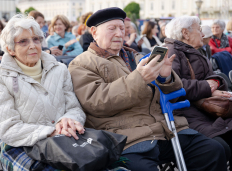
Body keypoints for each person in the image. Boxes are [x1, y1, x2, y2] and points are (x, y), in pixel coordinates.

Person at [68, 7, 227, 171]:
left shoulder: (136, 56)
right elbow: (97, 102)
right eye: (112, 28)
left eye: (123, 28)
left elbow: (174, 94)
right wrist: (139, 78)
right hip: (125, 137)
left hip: (165, 129)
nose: (119, 33)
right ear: (94, 32)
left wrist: (166, 77)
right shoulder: (81, 64)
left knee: (212, 151)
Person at [0, 14, 86, 170]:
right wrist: (51, 132)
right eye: (23, 41)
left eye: (36, 39)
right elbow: (7, 128)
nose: (32, 45)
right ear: (10, 49)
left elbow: (74, 108)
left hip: (64, 139)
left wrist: (69, 120)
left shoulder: (60, 69)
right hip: (21, 145)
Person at [165, 15, 232, 167]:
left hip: (205, 109)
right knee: (220, 148)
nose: (203, 34)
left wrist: (214, 84)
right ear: (185, 33)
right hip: (185, 114)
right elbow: (172, 86)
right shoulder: (171, 52)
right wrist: (207, 88)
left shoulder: (194, 51)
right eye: (199, 30)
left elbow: (213, 76)